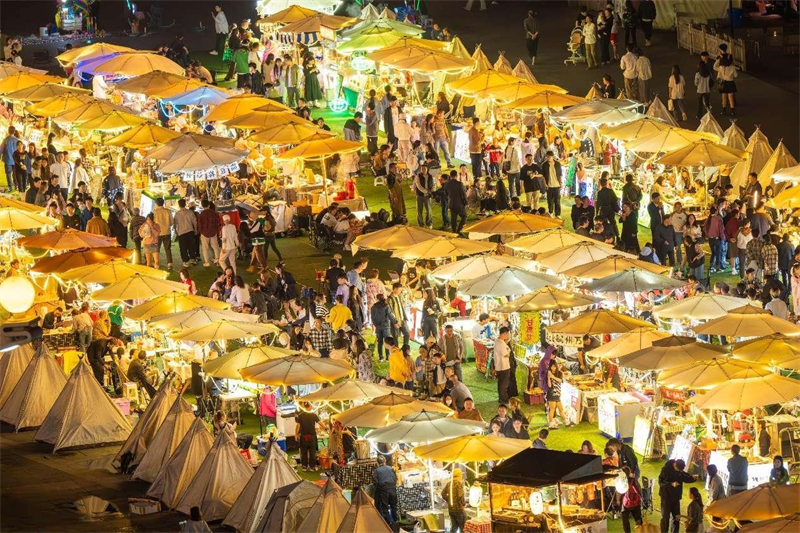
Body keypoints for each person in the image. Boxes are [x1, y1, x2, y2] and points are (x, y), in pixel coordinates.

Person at [659, 459, 697, 533]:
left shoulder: (680, 470)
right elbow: (661, 482)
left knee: (677, 517)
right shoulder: (665, 469)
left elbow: (685, 477)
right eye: (679, 470)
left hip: (676, 498)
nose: (680, 471)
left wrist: (693, 478)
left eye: (681, 470)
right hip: (666, 497)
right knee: (665, 518)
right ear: (675, 464)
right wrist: (671, 484)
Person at [295, 403, 320, 471]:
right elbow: (321, 423)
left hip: (303, 436)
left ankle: (304, 466)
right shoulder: (314, 415)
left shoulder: (300, 415)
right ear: (310, 406)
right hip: (312, 436)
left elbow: (298, 426)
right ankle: (312, 467)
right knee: (312, 451)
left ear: (304, 407)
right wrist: (326, 427)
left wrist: (296, 434)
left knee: (304, 451)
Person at [373, 455, 398, 524]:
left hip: (384, 490)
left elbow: (375, 482)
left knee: (385, 507)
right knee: (394, 506)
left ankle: (388, 523)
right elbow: (396, 479)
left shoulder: (376, 471)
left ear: (377, 463)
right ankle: (396, 521)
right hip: (393, 489)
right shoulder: (391, 468)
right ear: (385, 461)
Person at [714, 45, 738, 116]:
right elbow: (736, 75)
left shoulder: (721, 67)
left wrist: (719, 59)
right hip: (730, 82)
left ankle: (724, 110)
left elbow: (714, 66)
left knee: (724, 97)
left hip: (723, 83)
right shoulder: (732, 67)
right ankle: (732, 111)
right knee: (730, 97)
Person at [442, 468, 466, 533]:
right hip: (458, 509)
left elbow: (443, 494)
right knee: (463, 528)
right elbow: (460, 496)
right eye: (461, 475)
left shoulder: (449, 483)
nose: (461, 476)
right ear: (459, 475)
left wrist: (449, 500)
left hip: (451, 509)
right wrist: (463, 504)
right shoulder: (458, 483)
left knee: (454, 527)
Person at [621, 466, 643, 533]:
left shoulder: (621, 481)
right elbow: (639, 489)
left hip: (625, 503)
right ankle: (640, 531)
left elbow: (619, 493)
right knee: (638, 518)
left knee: (625, 521)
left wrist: (618, 501)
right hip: (635, 502)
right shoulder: (634, 479)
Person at [494, 326, 512, 403]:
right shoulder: (501, 343)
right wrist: (509, 351)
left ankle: (501, 397)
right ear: (504, 334)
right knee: (504, 383)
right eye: (507, 334)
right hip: (503, 366)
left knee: (501, 382)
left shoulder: (498, 341)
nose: (508, 336)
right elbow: (506, 354)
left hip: (499, 366)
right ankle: (503, 398)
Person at [541, 151, 562, 217]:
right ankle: (551, 212)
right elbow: (543, 176)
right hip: (549, 185)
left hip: (557, 185)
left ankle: (558, 214)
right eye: (547, 157)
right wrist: (545, 184)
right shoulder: (544, 165)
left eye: (549, 157)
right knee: (550, 201)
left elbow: (560, 174)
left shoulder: (558, 164)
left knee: (557, 201)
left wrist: (561, 182)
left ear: (552, 156)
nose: (548, 158)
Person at [695, 53, 714, 118]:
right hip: (707, 89)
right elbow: (711, 80)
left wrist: (697, 85)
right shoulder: (708, 74)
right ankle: (709, 113)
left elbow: (695, 83)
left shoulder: (698, 74)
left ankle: (699, 115)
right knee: (707, 102)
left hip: (700, 90)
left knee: (699, 104)